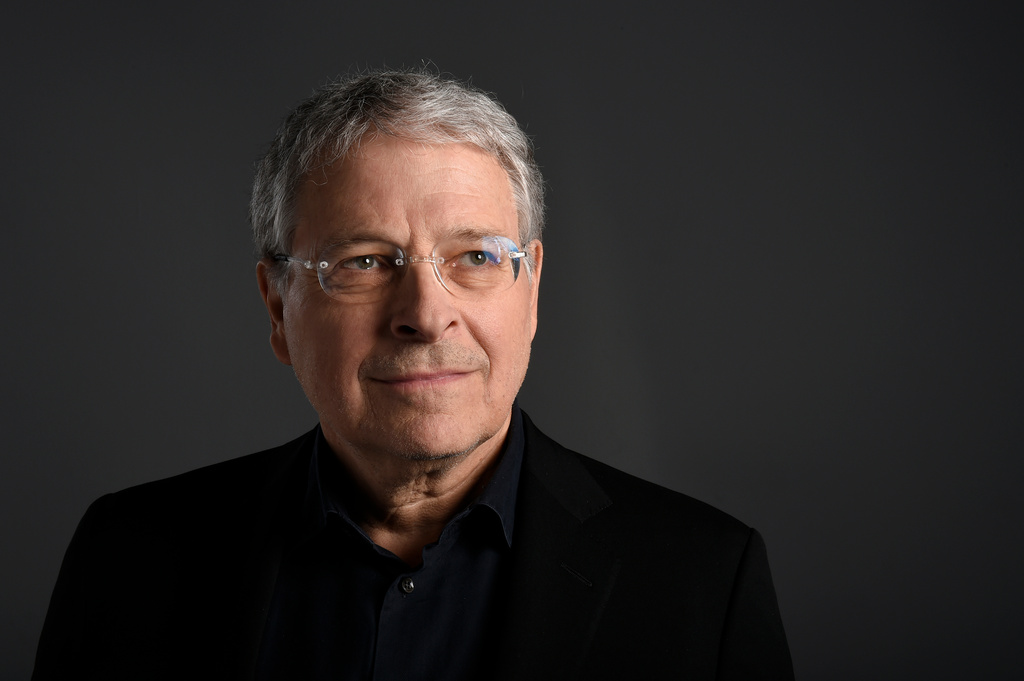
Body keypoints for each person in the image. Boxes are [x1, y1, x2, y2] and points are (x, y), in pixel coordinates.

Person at [33, 69, 794, 680]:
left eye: (475, 257)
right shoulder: (125, 556)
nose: (426, 314)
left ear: (530, 292)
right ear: (277, 305)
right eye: (365, 261)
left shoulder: (704, 583)